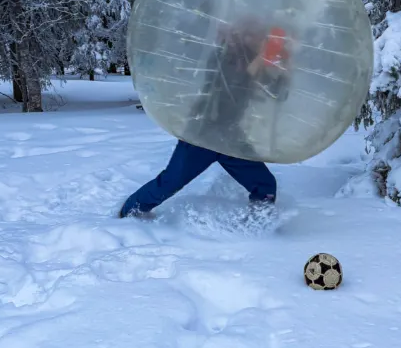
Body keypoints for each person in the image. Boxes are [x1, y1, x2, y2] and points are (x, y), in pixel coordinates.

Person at [119, 21, 290, 219]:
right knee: (171, 182)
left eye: (260, 37)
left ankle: (258, 224)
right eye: (251, 35)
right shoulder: (223, 56)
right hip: (202, 134)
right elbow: (233, 86)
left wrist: (285, 67)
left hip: (230, 137)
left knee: (265, 184)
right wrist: (260, 61)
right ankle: (129, 212)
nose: (257, 40)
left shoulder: (254, 61)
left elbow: (278, 94)